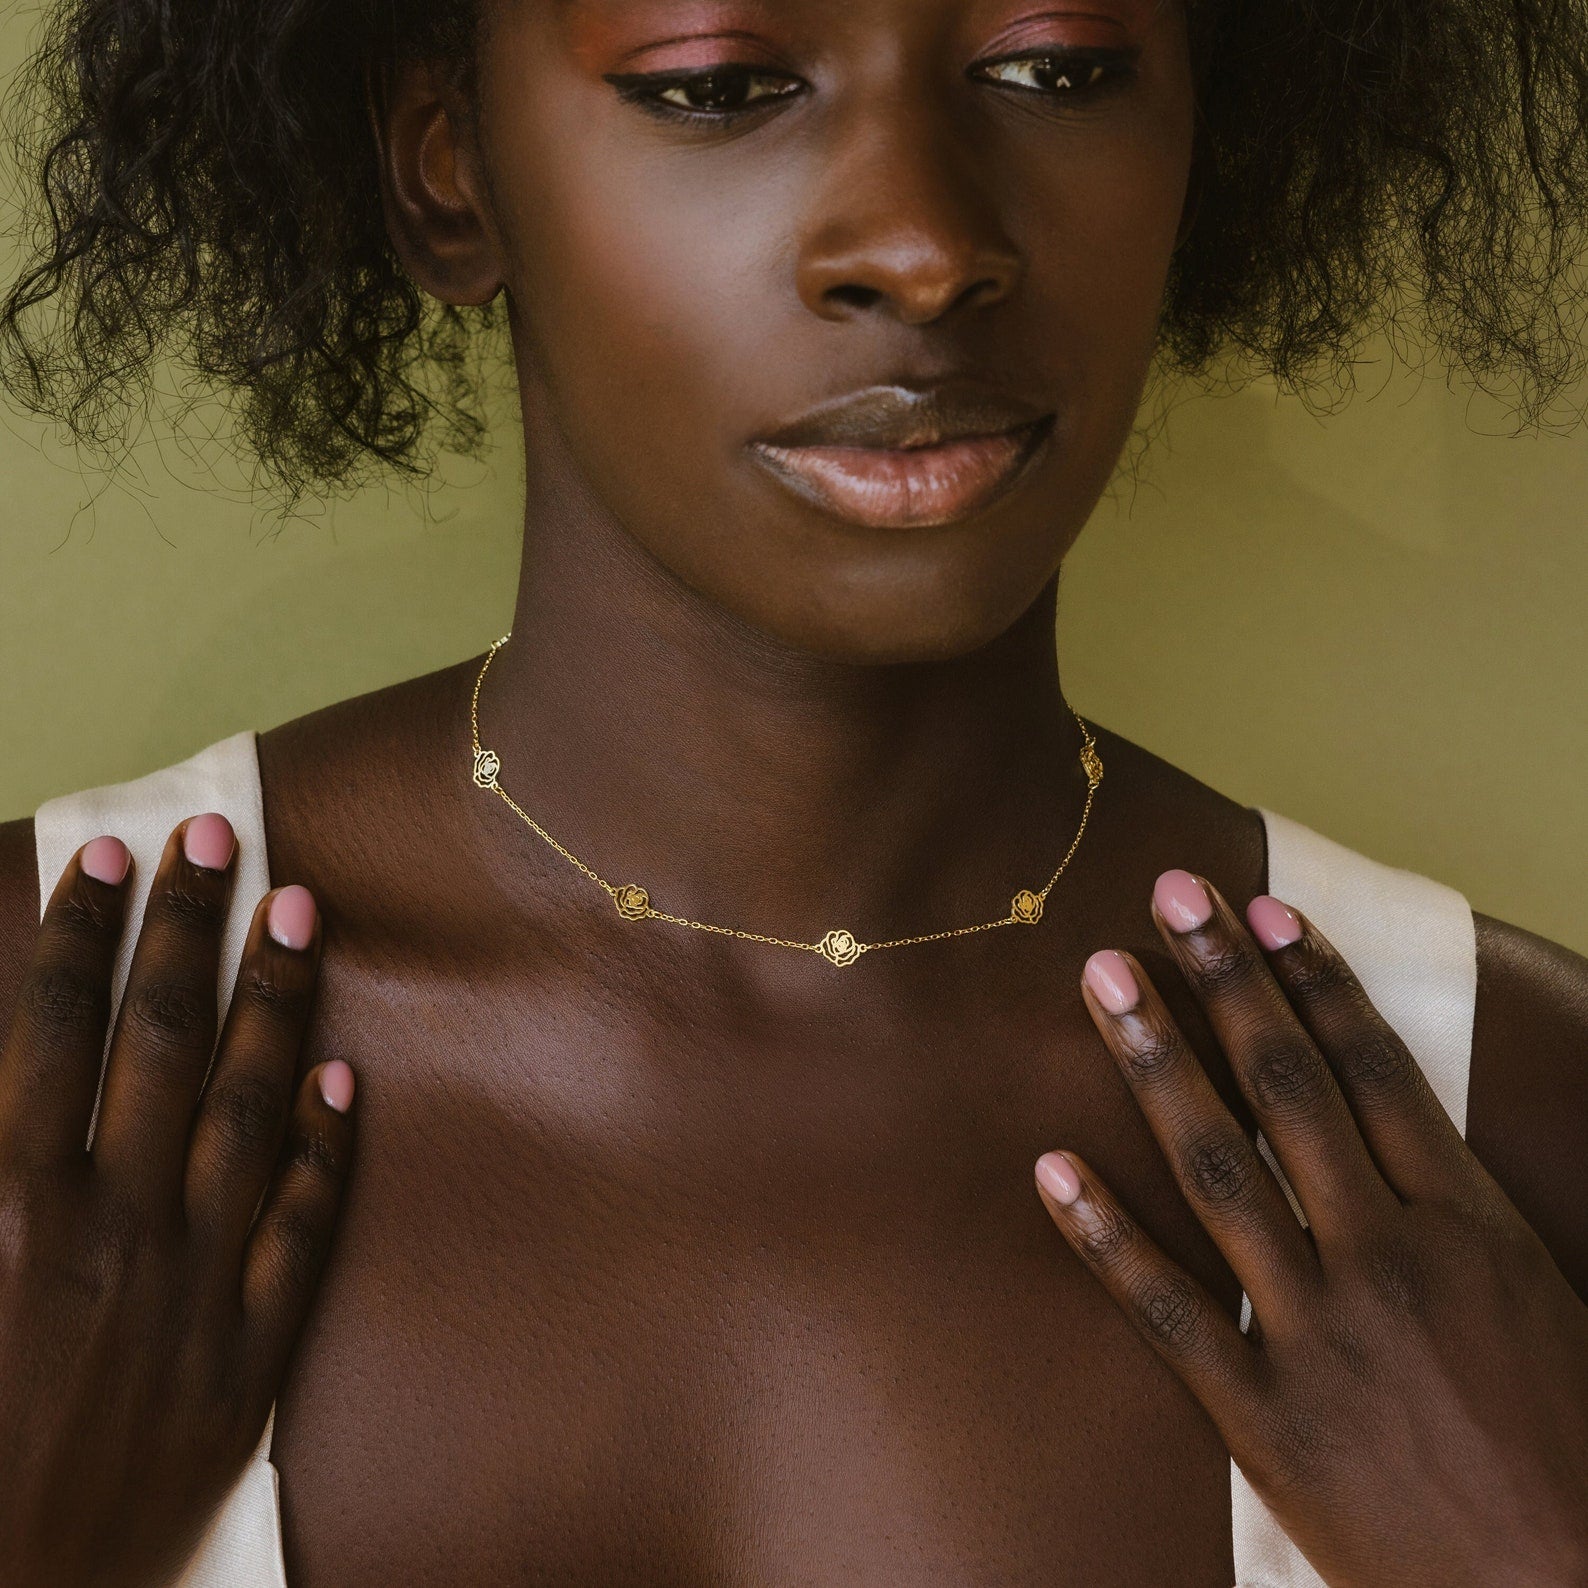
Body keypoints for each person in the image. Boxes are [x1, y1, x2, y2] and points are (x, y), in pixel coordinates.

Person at [1, 0, 1586, 1583]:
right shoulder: (27, 1081)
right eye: (721, 88)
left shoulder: (1514, 1128)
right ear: (447, 172)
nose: (921, 246)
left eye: (1057, 71)